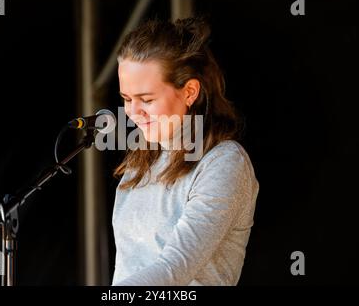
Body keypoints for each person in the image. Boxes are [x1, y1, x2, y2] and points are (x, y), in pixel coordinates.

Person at [111, 17, 259, 286]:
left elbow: (172, 271)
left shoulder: (224, 163)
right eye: (126, 99)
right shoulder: (141, 161)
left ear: (190, 91)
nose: (133, 112)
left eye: (147, 99)